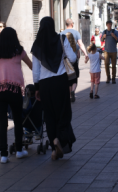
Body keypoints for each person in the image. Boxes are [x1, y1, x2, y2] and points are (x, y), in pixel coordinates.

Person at [32, 16, 77, 160]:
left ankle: (53, 145)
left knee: (49, 116)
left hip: (45, 85)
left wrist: (37, 88)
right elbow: (73, 58)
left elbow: (35, 71)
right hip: (60, 82)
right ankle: (61, 140)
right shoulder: (62, 39)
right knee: (62, 113)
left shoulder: (37, 45)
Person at [0, 27, 32, 163]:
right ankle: (19, 150)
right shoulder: (19, 52)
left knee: (2, 123)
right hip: (14, 89)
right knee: (18, 120)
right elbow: (31, 65)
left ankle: (3, 155)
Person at [60, 18, 88, 101]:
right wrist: (85, 54)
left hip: (64, 60)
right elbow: (80, 44)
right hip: (74, 59)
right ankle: (73, 91)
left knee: (67, 77)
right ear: (72, 24)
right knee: (74, 76)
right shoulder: (76, 33)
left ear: (66, 24)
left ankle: (69, 95)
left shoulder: (61, 33)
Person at [65, 32, 80, 102]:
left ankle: (70, 95)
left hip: (67, 65)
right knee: (74, 80)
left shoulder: (64, 46)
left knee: (68, 81)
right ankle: (73, 91)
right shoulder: (76, 46)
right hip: (75, 64)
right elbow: (78, 56)